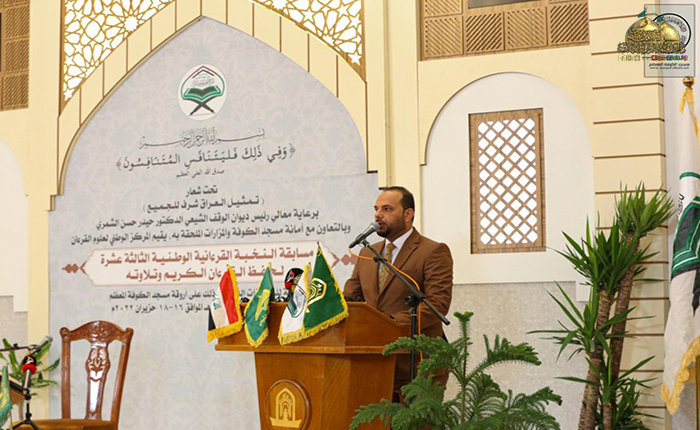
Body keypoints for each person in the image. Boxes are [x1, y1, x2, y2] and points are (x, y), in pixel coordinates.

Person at [343, 186, 453, 399]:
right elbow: (351, 298)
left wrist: (388, 325)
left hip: (418, 364)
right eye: (376, 209)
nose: (378, 215)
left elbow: (437, 304)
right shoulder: (367, 252)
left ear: (408, 214)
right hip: (374, 362)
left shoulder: (433, 251)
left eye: (387, 209)